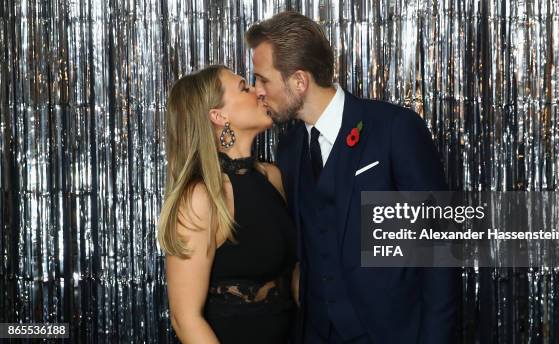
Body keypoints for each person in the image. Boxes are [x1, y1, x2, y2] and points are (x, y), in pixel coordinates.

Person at [246, 11, 460, 343]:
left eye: (263, 79)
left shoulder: (394, 129)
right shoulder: (289, 148)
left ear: (299, 81)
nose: (257, 91)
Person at [157, 65, 299, 343]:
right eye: (244, 87)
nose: (259, 92)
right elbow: (185, 319)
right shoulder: (201, 198)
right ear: (218, 116)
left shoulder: (272, 177)